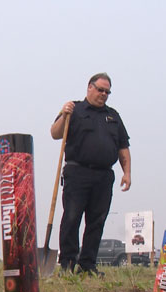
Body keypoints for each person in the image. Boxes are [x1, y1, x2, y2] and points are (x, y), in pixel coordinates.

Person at [51, 72, 131, 277]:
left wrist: (127, 173)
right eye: (100, 90)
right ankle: (68, 263)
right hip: (78, 172)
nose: (103, 94)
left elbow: (123, 147)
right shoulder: (74, 109)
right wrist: (63, 113)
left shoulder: (113, 116)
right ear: (89, 88)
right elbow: (55, 133)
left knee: (97, 221)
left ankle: (87, 265)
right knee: (71, 217)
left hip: (104, 176)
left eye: (107, 92)